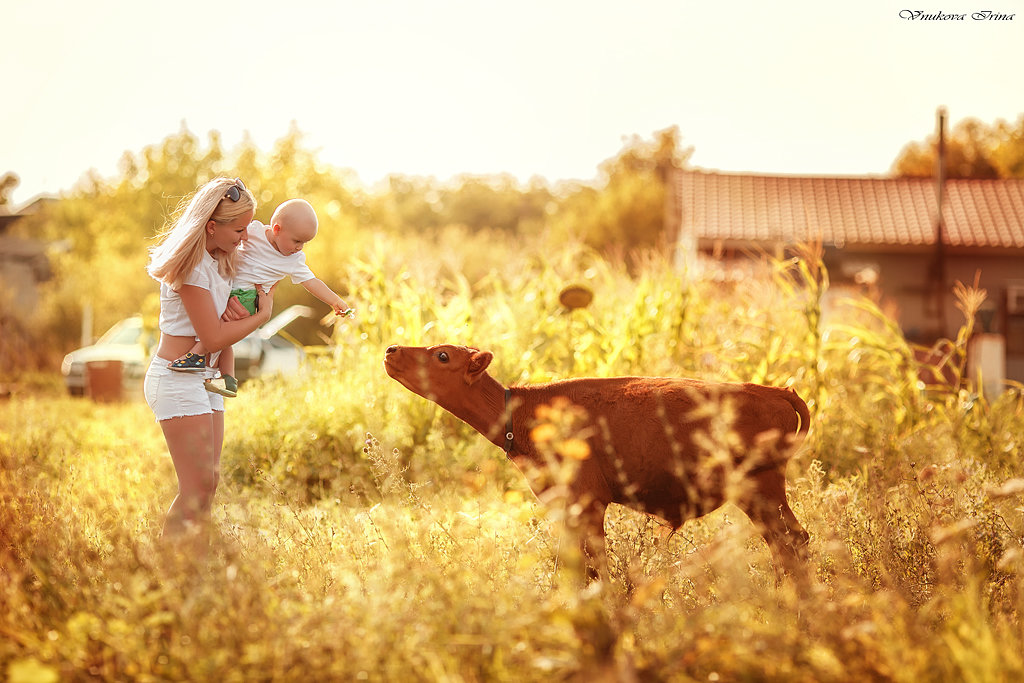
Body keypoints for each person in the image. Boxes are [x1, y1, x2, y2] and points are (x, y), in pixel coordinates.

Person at [144, 177, 275, 543]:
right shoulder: (191, 267)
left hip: (206, 379)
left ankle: (191, 567)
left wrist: (242, 307)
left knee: (209, 482)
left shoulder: (220, 261)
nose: (245, 235)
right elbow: (214, 338)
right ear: (212, 226)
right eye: (238, 228)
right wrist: (260, 317)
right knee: (197, 485)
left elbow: (218, 330)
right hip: (176, 379)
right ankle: (168, 571)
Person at [167, 198, 353, 398]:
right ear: (277, 229)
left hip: (249, 298)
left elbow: (312, 282)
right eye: (297, 241)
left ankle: (197, 355)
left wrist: (335, 301)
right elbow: (231, 240)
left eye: (305, 243)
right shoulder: (254, 232)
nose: (300, 248)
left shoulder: (292, 260)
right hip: (228, 289)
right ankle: (228, 379)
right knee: (224, 338)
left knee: (219, 328)